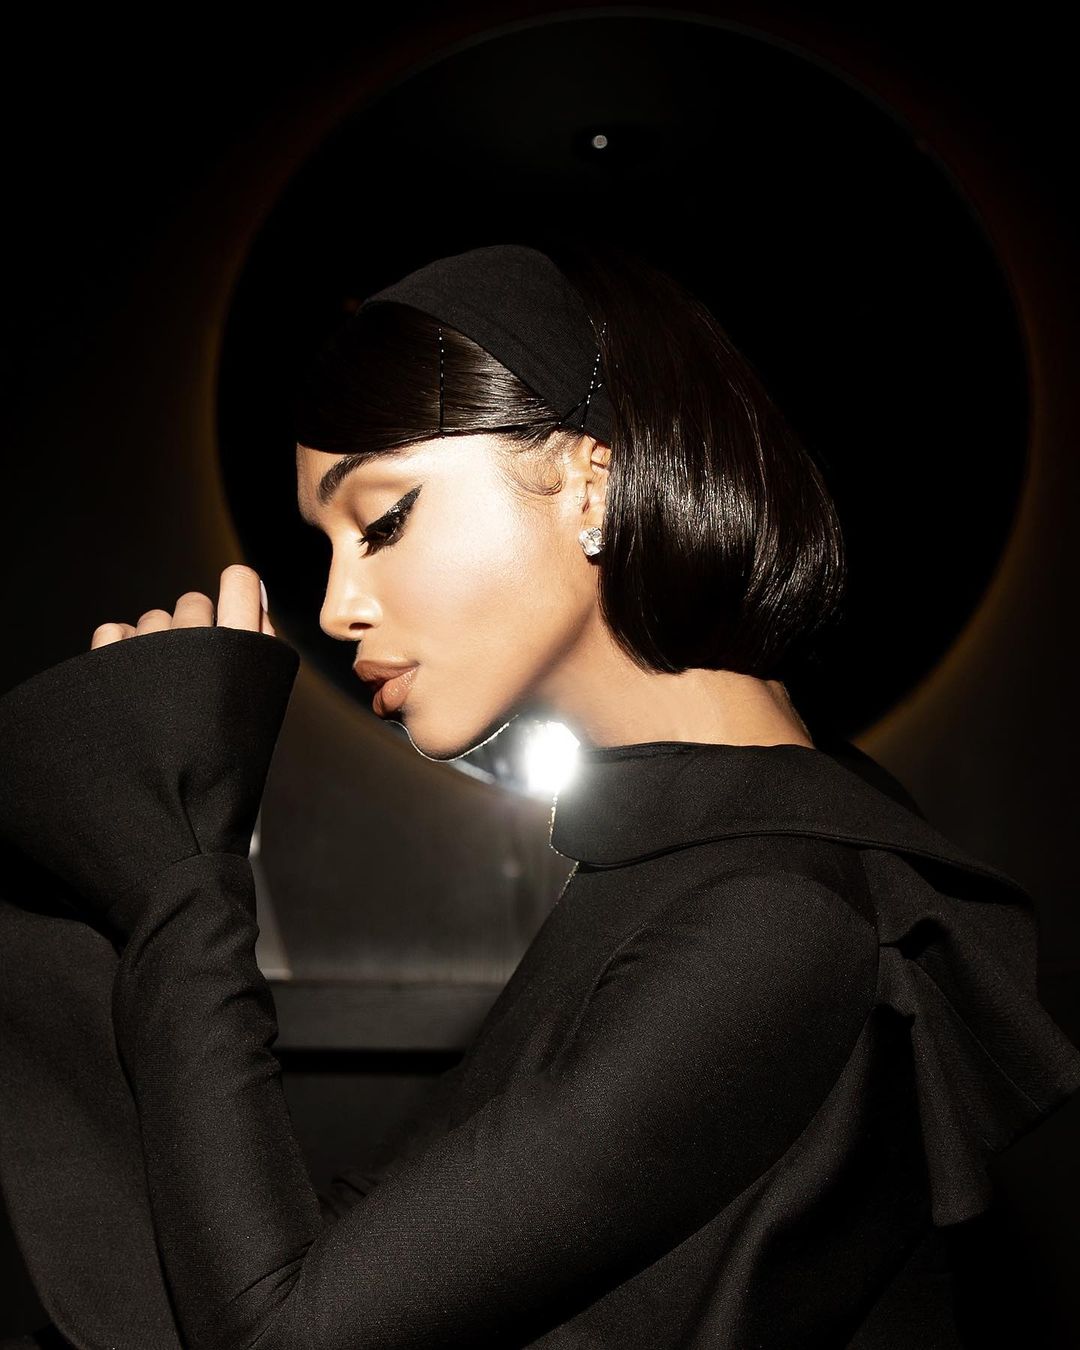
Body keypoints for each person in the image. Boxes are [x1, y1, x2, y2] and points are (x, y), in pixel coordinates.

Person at [0, 242, 1078, 1349]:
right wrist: (141, 850)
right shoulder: (684, 866)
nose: (336, 605)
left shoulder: (768, 914)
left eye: (383, 520)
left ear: (590, 480)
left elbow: (284, 1333)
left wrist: (184, 867)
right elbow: (343, 1260)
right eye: (326, 547)